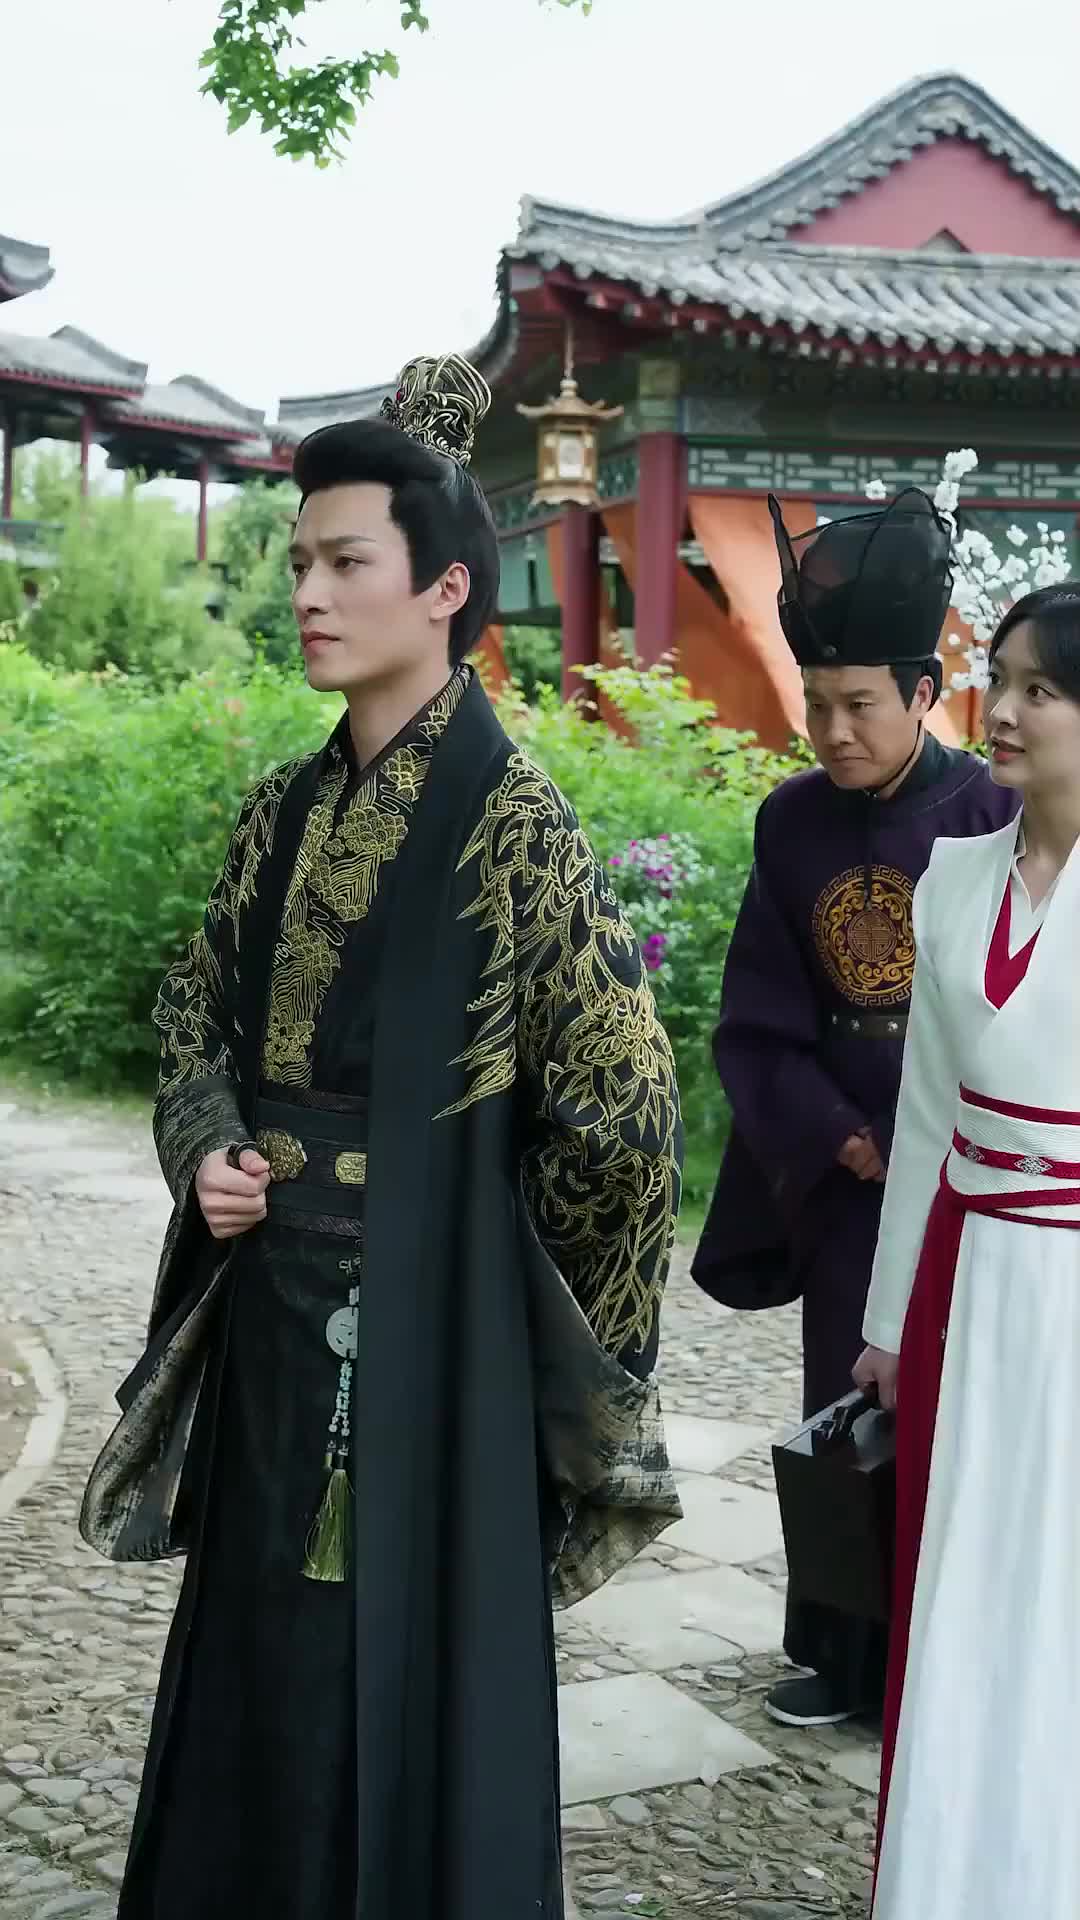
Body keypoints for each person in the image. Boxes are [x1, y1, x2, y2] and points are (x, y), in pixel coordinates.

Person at [79, 352, 683, 1920]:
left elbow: (623, 1118)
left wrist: (529, 1344)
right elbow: (193, 1009)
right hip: (273, 1328)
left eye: (346, 563)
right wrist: (211, 1146)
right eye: (299, 563)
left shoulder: (516, 822)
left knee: (401, 1682)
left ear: (446, 590)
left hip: (434, 1348)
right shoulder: (282, 811)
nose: (308, 594)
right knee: (263, 1661)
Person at [692, 490, 1017, 1730]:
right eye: (816, 704)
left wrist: (950, 1142)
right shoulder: (790, 824)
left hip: (974, 1172)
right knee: (846, 1410)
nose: (832, 731)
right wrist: (839, 1135)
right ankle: (842, 1654)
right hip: (846, 1178)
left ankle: (952, 1665)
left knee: (965, 1417)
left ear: (924, 694)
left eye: (861, 705)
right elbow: (757, 1016)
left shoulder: (993, 816)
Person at [856, 585, 1080, 1919]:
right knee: (962, 1583)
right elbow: (927, 1117)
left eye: (1043, 689)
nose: (1004, 708)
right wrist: (889, 1323)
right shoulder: (951, 880)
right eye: (1000, 677)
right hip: (967, 1272)